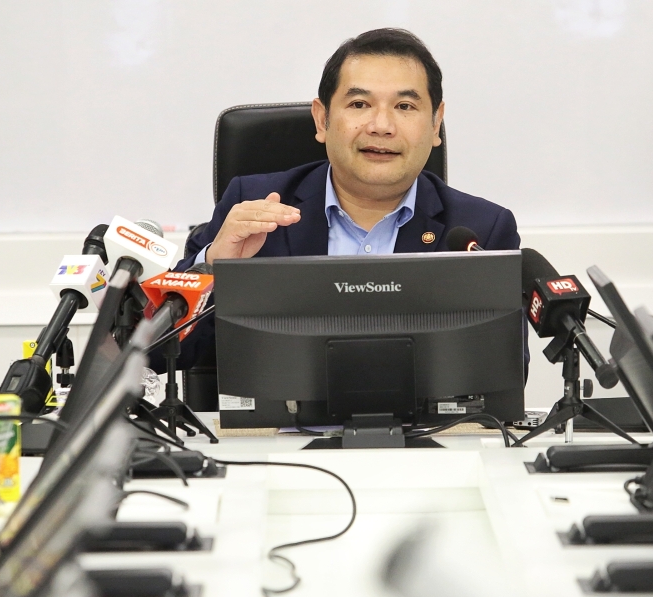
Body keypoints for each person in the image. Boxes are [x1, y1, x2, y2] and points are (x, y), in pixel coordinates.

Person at [166, 27, 522, 370]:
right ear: (322, 120)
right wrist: (213, 265)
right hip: (277, 430)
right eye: (359, 103)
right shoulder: (255, 208)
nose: (381, 125)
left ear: (435, 124)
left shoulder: (479, 232)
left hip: (426, 431)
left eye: (405, 107)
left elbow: (505, 370)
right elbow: (164, 352)